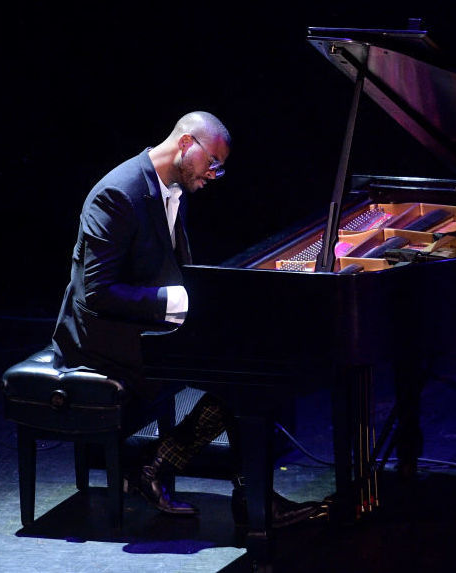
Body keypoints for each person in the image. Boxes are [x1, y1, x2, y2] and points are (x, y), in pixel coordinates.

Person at [51, 111, 319, 527]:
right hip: (100, 339)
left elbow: (171, 269)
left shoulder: (171, 188)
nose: (215, 174)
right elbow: (97, 293)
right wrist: (177, 302)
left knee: (252, 364)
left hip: (142, 324)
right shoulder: (117, 195)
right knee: (241, 373)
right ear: (185, 144)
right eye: (213, 161)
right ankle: (227, 490)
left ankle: (194, 478)